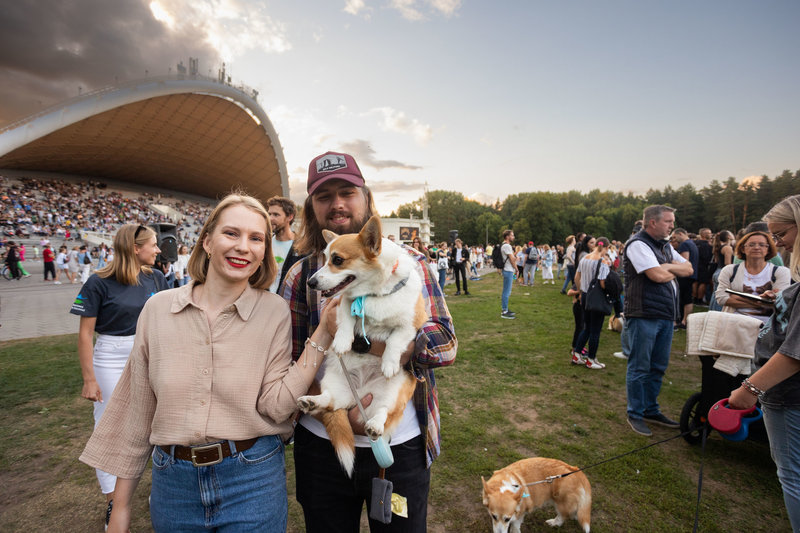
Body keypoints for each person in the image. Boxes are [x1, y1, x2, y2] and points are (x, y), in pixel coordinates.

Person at [80, 194, 330, 532]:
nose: (244, 246)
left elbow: (275, 406)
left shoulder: (274, 312)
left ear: (264, 252)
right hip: (174, 484)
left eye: (256, 238)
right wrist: (120, 508)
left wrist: (323, 335)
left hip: (252, 479)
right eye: (231, 233)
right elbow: (136, 411)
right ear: (207, 241)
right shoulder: (158, 310)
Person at [279, 150, 457, 532]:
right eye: (324, 196)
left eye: (347, 191)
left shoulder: (411, 265)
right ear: (312, 206)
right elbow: (286, 359)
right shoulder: (303, 275)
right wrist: (334, 407)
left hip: (400, 444)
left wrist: (386, 343)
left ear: (365, 197)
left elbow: (445, 343)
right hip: (323, 442)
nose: (337, 204)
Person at [70, 224, 170, 527]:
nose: (158, 250)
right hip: (111, 357)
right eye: (153, 245)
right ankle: (113, 501)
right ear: (134, 248)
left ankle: (161, 492)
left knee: (158, 420)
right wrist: (89, 379)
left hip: (150, 351)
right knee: (111, 427)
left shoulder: (157, 277)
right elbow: (86, 335)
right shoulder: (98, 282)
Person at [727, 194, 800, 532]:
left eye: (781, 234)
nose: (777, 243)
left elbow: (794, 352)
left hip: (790, 397)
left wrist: (751, 387)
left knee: (792, 476)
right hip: (785, 395)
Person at [623, 205, 693, 437]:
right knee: (640, 366)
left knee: (658, 367)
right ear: (652, 222)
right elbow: (657, 275)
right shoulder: (638, 244)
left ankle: (651, 409)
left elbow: (689, 268)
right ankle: (635, 413)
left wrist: (667, 266)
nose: (672, 226)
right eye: (668, 221)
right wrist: (671, 269)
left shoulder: (663, 246)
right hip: (644, 313)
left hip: (664, 315)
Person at [715, 230, 791, 323]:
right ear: (743, 249)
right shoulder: (729, 270)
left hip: (768, 329)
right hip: (734, 326)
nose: (756, 247)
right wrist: (762, 302)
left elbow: (780, 302)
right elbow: (721, 298)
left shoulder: (781, 272)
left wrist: (735, 297)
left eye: (762, 245)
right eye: (751, 245)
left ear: (768, 249)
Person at [572, 237, 612, 369]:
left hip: (584, 295)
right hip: (596, 298)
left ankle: (577, 354)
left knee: (587, 328)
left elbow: (577, 277)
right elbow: (602, 282)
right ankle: (591, 358)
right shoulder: (603, 262)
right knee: (595, 330)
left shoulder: (585, 258)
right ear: (607, 247)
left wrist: (580, 290)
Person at [267, 195, 301, 293]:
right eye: (269, 214)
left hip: (288, 303)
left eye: (276, 215)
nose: (270, 218)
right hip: (265, 300)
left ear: (290, 217)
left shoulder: (302, 247)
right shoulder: (264, 244)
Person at [671, 228, 698, 329]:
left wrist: (671, 262)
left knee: (683, 298)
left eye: (674, 237)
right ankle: (685, 320)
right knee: (687, 298)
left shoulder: (685, 244)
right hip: (692, 274)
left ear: (680, 234)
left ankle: (682, 320)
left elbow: (683, 261)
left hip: (684, 275)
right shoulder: (692, 243)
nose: (674, 240)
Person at [708, 230, 735, 311]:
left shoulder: (719, 247)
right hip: (723, 272)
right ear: (729, 237)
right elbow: (728, 263)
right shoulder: (727, 248)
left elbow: (716, 261)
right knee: (721, 296)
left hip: (717, 271)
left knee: (715, 295)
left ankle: (712, 312)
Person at [693, 228, 713, 305]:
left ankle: (694, 298)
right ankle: (699, 299)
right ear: (704, 235)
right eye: (709, 233)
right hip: (704, 266)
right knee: (703, 283)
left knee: (695, 281)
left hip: (694, 265)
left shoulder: (694, 243)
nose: (711, 235)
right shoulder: (707, 245)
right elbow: (706, 257)